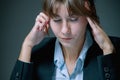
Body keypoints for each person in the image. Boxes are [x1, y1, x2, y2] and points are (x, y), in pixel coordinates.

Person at [10, 0, 120, 80]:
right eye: (57, 20)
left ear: (89, 15)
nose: (65, 30)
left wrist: (107, 49)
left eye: (73, 19)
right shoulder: (35, 53)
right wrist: (27, 45)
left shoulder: (112, 50)